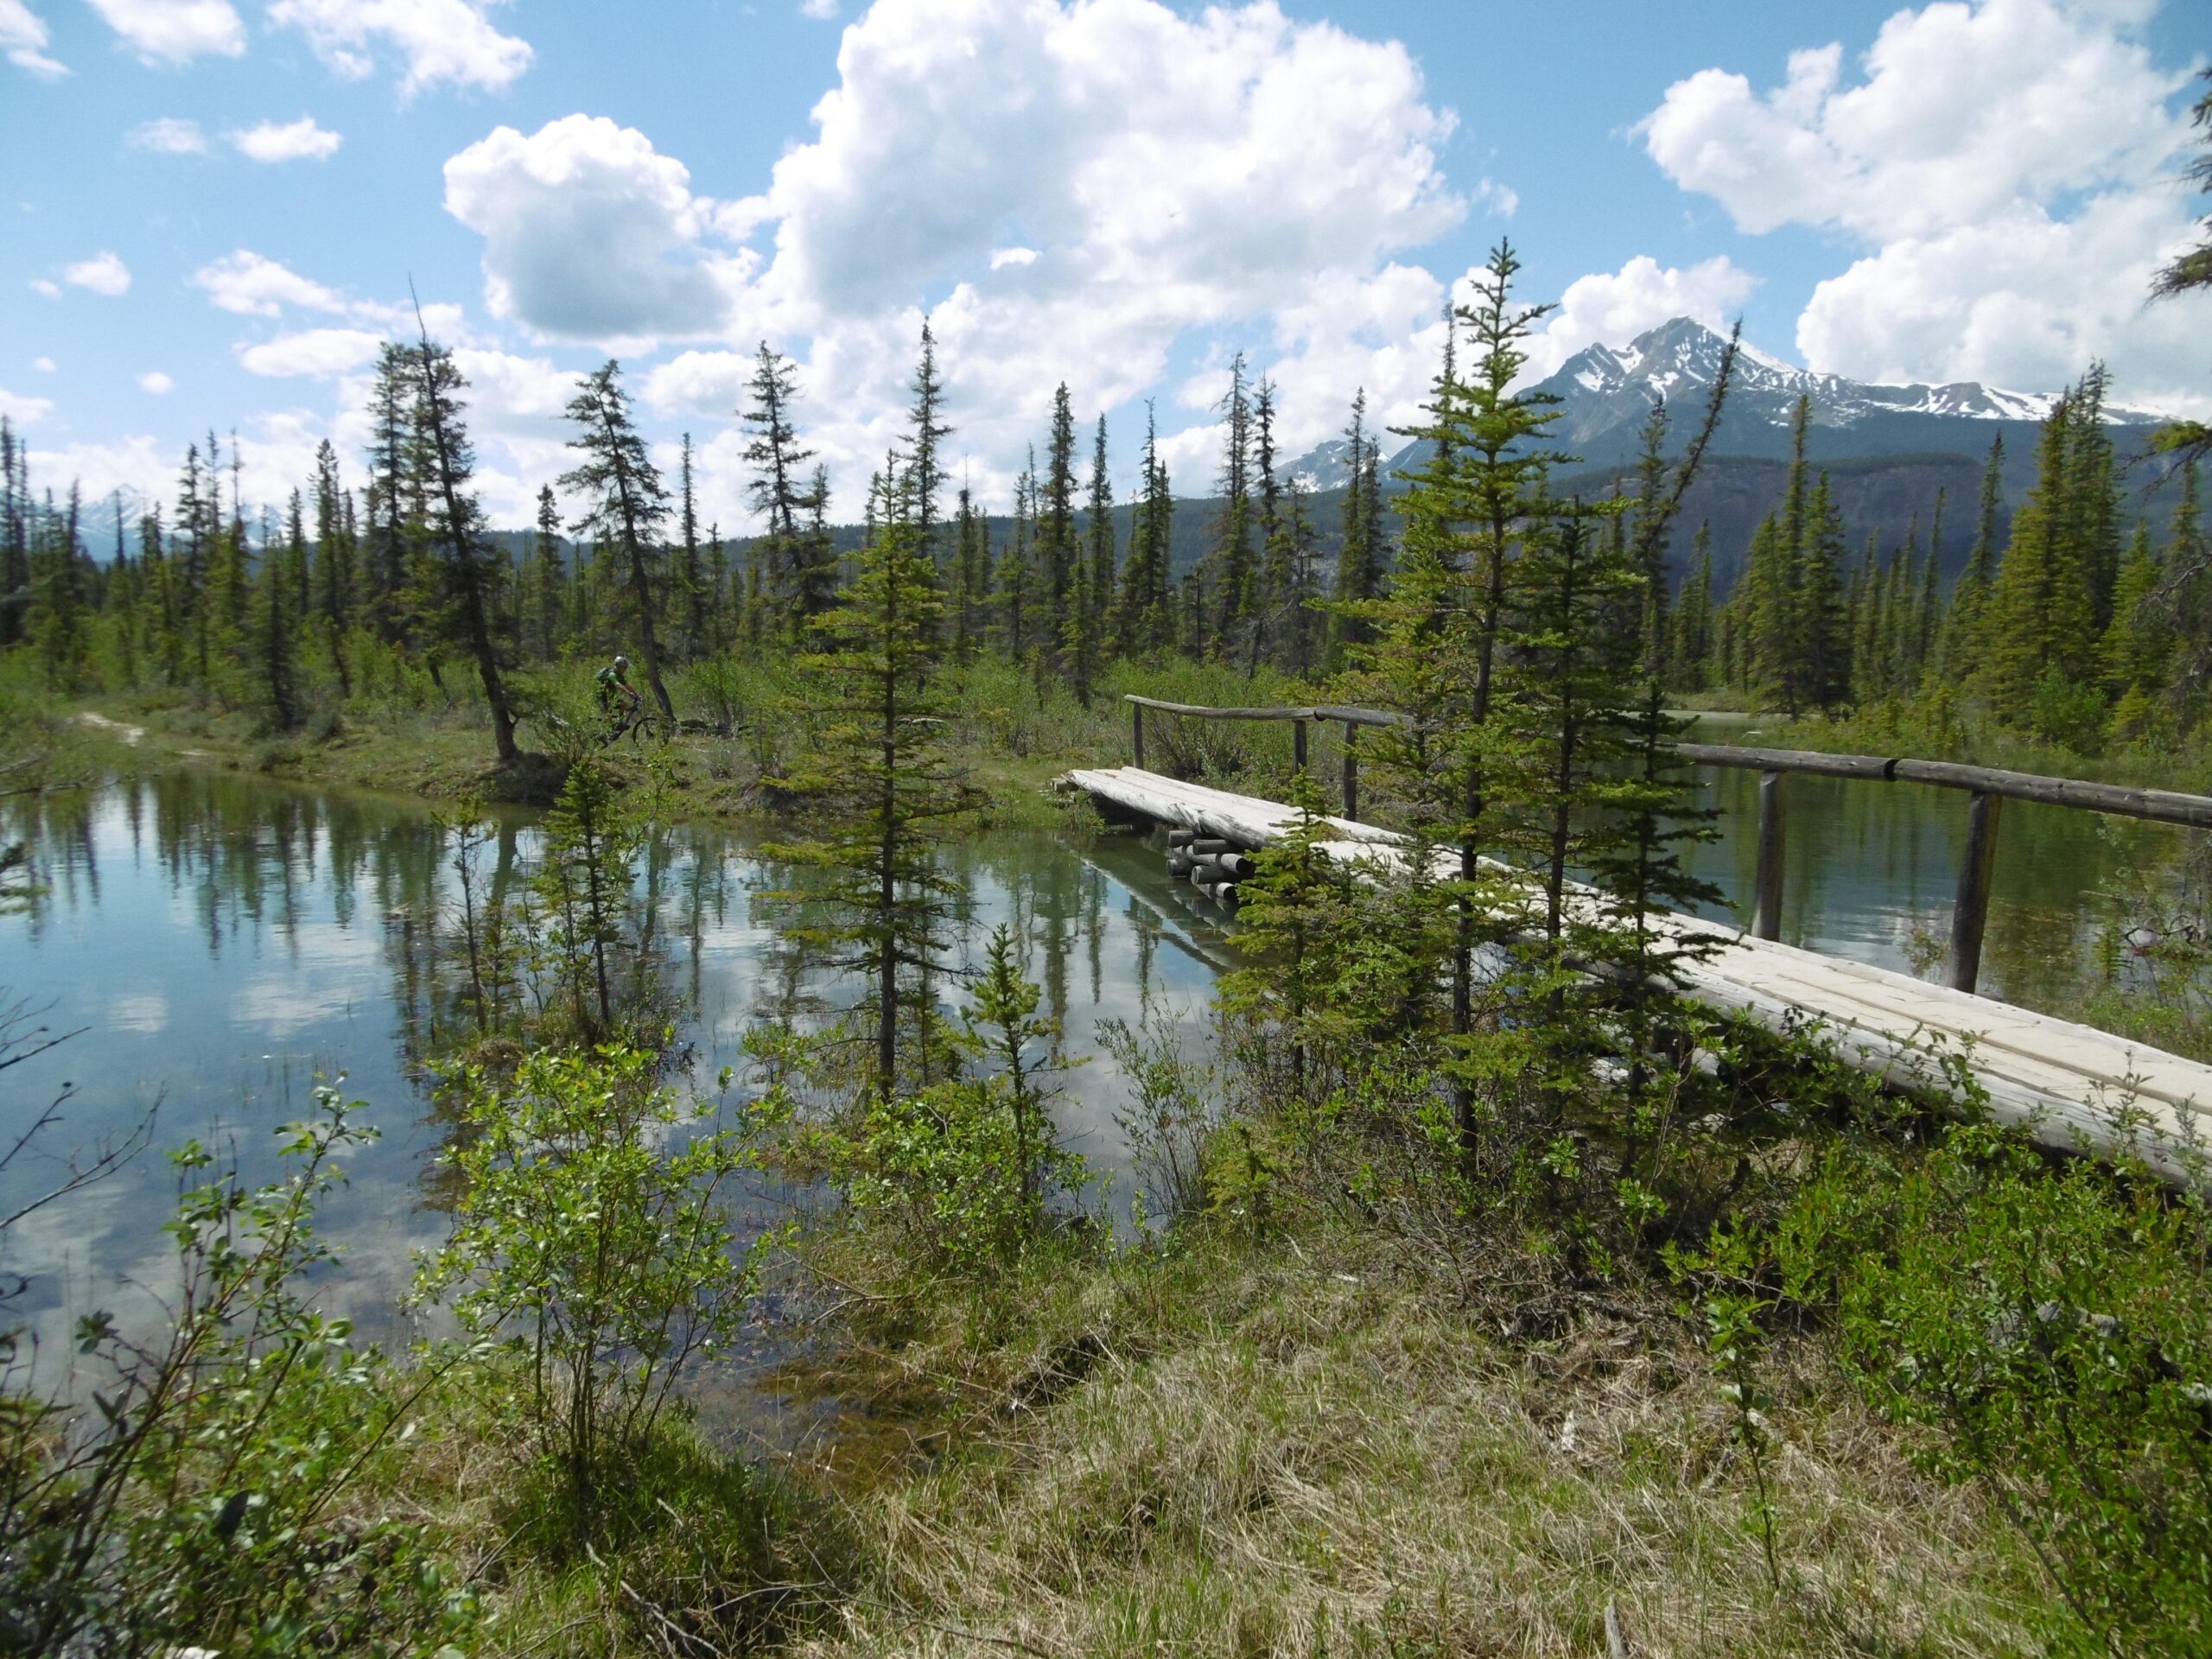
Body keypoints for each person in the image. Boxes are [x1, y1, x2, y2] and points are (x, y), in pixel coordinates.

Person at [595, 653, 642, 730]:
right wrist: (629, 693)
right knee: (608, 716)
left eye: (626, 668)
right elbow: (618, 685)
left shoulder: (619, 676)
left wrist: (636, 695)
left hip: (610, 697)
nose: (625, 669)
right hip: (602, 697)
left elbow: (627, 685)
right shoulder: (611, 674)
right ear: (619, 666)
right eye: (624, 667)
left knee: (624, 704)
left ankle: (620, 723)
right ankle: (604, 734)